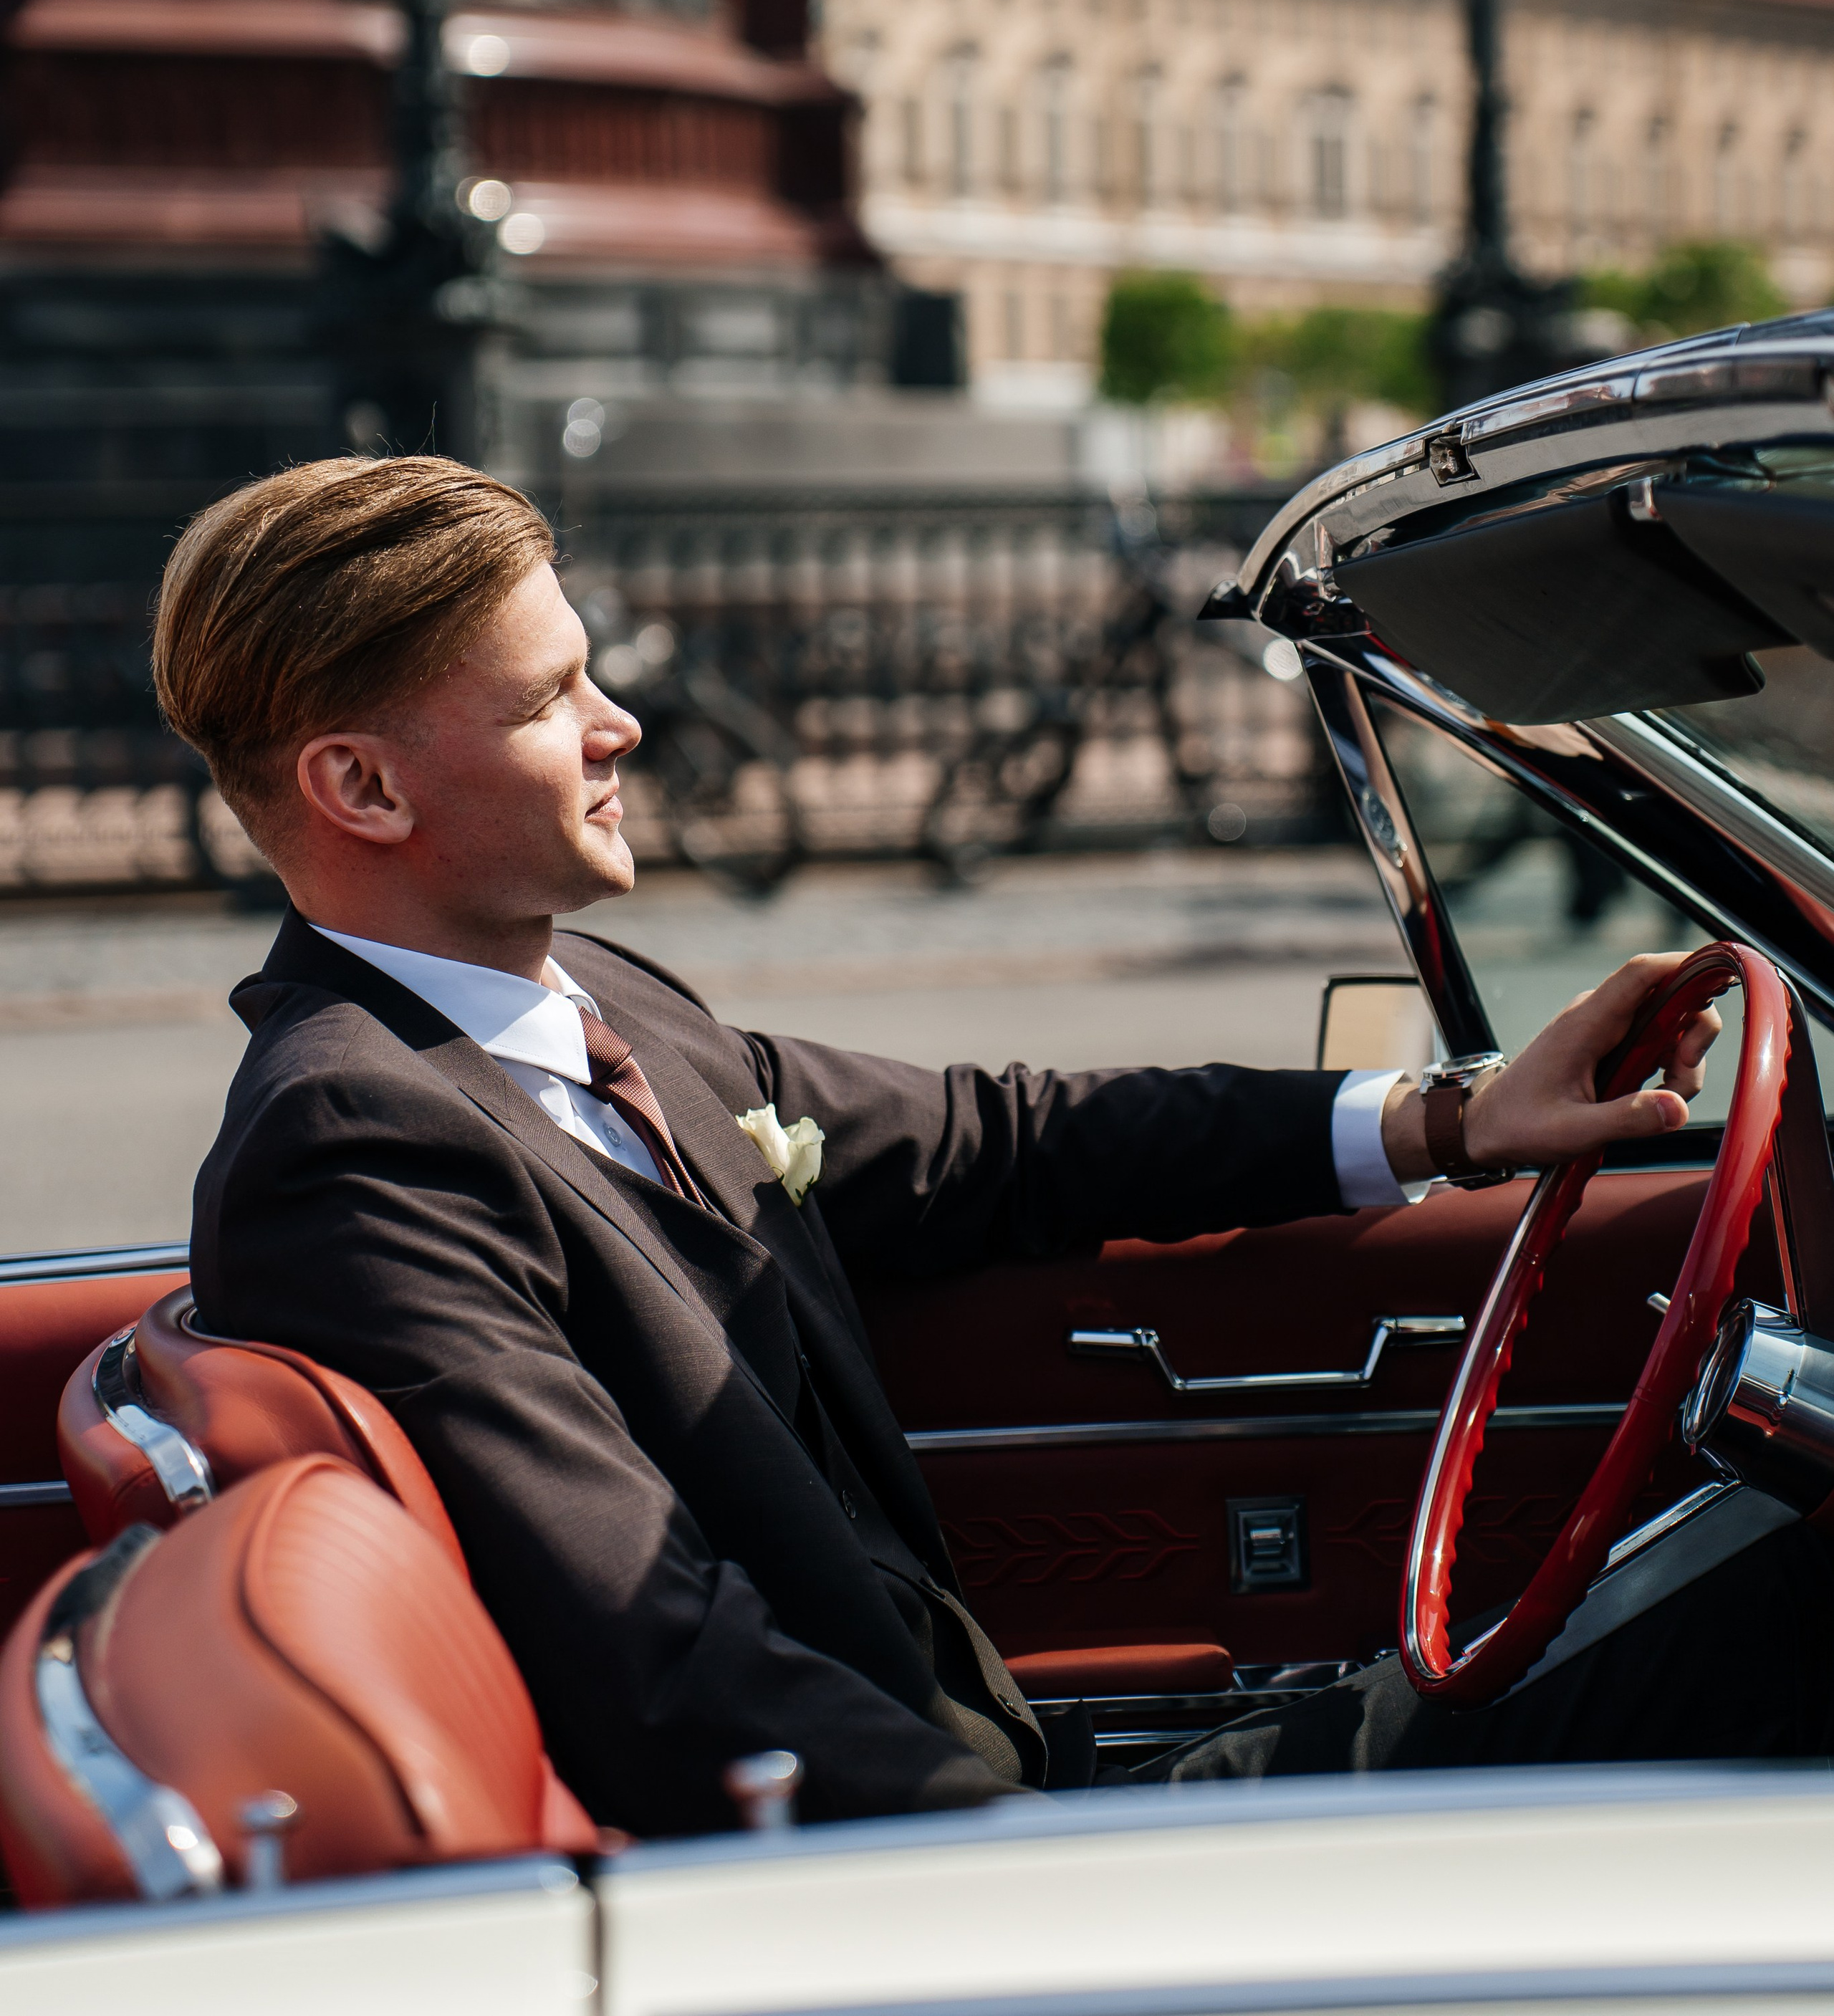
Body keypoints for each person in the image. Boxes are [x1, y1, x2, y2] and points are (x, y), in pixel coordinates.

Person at [155, 455, 1830, 1839]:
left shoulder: (591, 997)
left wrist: (1450, 1117)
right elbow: (657, 1656)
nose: (622, 728)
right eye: (550, 697)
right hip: (931, 1867)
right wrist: (1012, 1871)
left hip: (1002, 1781)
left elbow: (995, 1140)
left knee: (1717, 1606)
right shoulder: (357, 1139)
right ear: (361, 786)